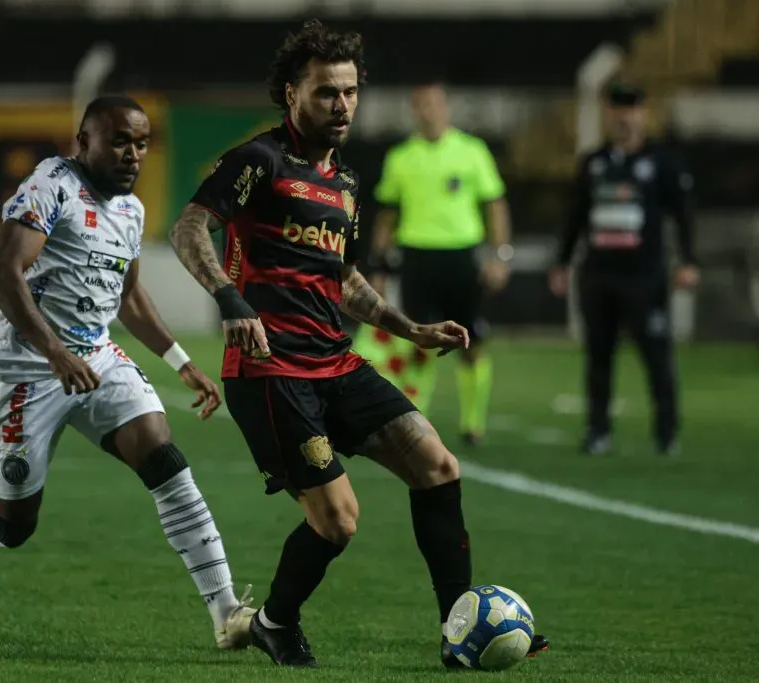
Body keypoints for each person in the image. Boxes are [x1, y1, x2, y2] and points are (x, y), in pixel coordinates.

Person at [168, 20, 548, 668]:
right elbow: (190, 228)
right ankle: (274, 623)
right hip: (270, 371)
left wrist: (409, 328)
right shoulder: (258, 162)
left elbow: (341, 277)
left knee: (439, 467)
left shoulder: (344, 182)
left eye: (349, 92)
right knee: (339, 520)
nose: (341, 105)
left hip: (334, 360)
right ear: (292, 93)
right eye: (326, 93)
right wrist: (230, 299)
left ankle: (459, 630)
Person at [0, 95, 256, 650]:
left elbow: (130, 296)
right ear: (83, 142)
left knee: (162, 454)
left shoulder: (131, 209)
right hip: (24, 369)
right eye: (120, 141)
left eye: (141, 143)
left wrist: (181, 362)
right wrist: (54, 354)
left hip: (95, 358)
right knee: (12, 525)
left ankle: (227, 613)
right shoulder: (52, 186)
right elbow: (3, 274)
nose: (133, 154)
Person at [357, 79, 513, 446]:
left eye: (433, 103)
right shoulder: (400, 158)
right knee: (417, 340)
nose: (427, 111)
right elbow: (387, 216)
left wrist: (500, 256)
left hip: (461, 257)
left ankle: (473, 424)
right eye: (420, 104)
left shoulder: (471, 151)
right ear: (414, 110)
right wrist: (378, 266)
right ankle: (415, 420)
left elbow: (496, 205)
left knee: (471, 342)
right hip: (416, 258)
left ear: (446, 107)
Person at [550, 82, 699, 456]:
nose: (624, 116)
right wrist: (563, 262)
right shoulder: (594, 162)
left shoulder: (662, 162)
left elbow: (682, 216)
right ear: (607, 113)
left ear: (643, 113)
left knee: (656, 355)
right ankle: (598, 431)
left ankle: (666, 433)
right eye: (617, 108)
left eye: (631, 107)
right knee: (598, 355)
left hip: (644, 277)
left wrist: (688, 260)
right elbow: (576, 218)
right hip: (599, 275)